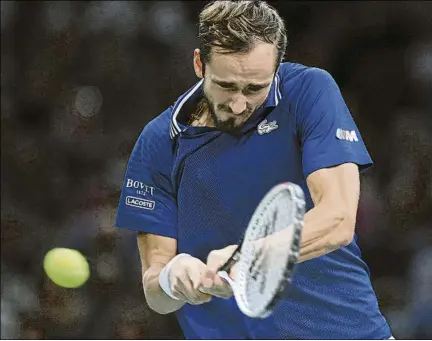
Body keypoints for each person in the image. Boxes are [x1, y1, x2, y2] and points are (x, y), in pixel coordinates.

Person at [115, 1, 393, 339]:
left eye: (254, 89)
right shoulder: (158, 142)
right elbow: (154, 289)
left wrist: (248, 256)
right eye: (227, 86)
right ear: (199, 63)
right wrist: (173, 277)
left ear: (276, 68)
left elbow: (338, 220)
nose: (238, 104)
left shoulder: (309, 91)